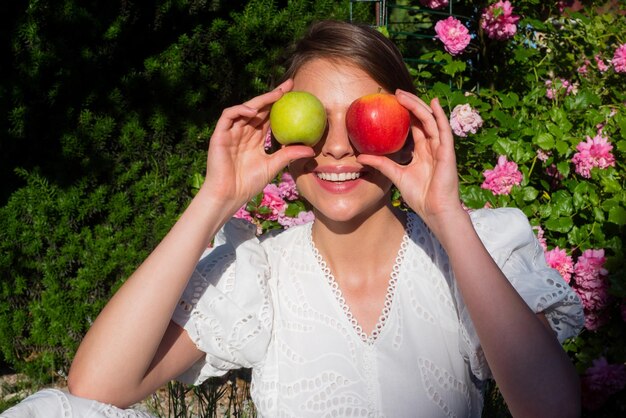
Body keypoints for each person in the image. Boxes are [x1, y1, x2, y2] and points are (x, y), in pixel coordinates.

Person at [2, 20, 584, 418]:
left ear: (407, 130)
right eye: (313, 121)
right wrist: (214, 199)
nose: (335, 149)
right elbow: (95, 390)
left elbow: (552, 409)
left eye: (360, 120)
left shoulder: (464, 259)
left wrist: (447, 213)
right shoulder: (259, 279)